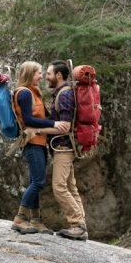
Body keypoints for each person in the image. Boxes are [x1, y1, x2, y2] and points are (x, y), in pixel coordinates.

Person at [11, 61, 68, 235]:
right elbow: (28, 120)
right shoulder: (26, 93)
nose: (42, 76)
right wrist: (54, 123)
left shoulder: (32, 92)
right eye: (39, 72)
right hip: (32, 143)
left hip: (39, 142)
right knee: (38, 182)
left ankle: (35, 220)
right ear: (30, 74)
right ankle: (20, 219)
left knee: (35, 181)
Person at [46, 60, 87, 240]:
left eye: (48, 74)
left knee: (59, 187)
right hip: (63, 146)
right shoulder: (62, 93)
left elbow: (64, 126)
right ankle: (81, 226)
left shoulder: (64, 95)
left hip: (64, 146)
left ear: (58, 75)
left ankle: (77, 224)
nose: (46, 77)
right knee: (71, 186)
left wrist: (39, 129)